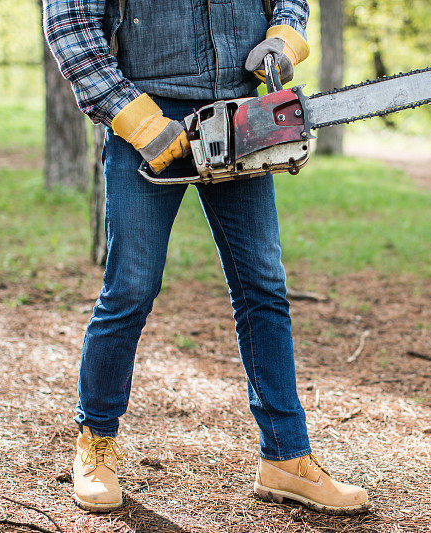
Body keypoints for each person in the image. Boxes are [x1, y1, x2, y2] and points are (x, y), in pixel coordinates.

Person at [43, 0, 369, 516]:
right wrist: (139, 120)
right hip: (145, 114)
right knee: (130, 286)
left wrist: (283, 38)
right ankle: (96, 442)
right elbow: (71, 27)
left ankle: (287, 457)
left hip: (240, 114)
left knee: (263, 287)